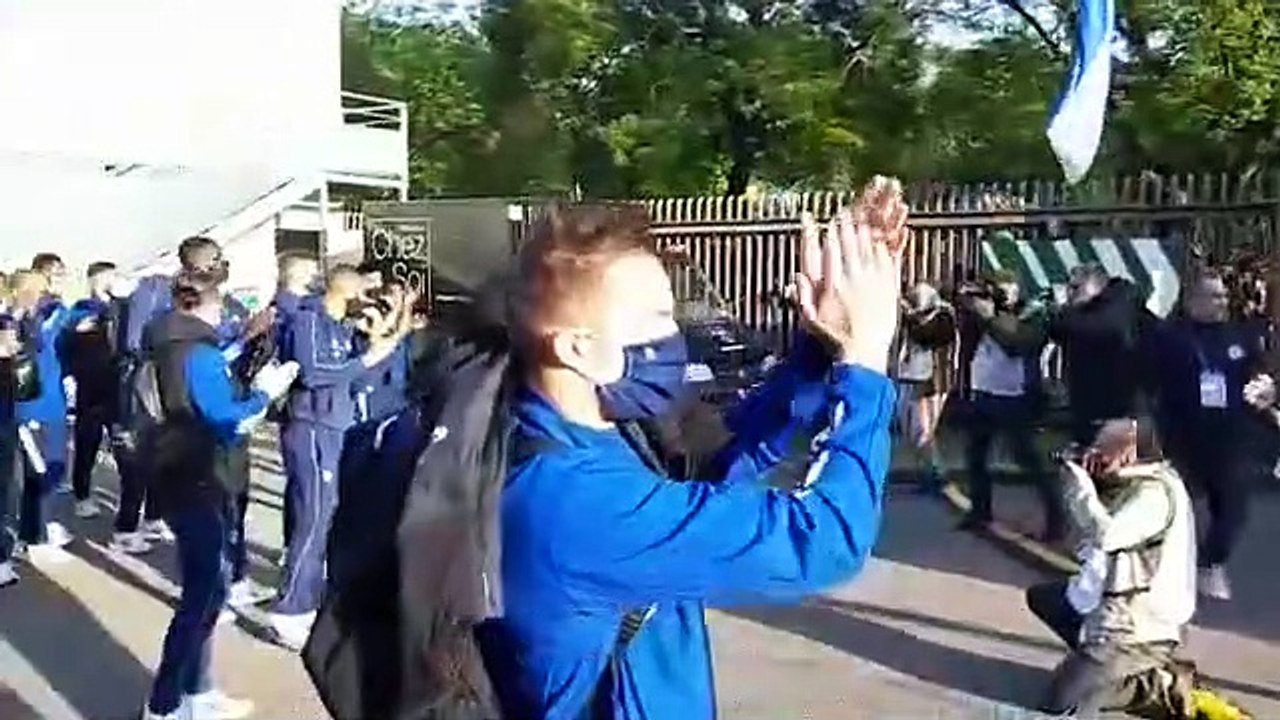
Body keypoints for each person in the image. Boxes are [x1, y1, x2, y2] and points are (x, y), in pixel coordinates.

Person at [480, 179, 905, 720]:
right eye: (656, 322)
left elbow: (719, 465)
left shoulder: (582, 430)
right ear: (578, 349)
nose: (673, 338)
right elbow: (824, 540)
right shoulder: (573, 500)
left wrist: (822, 349)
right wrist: (866, 363)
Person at [139, 270, 297, 720]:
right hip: (198, 472)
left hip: (171, 467)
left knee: (207, 588)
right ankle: (165, 703)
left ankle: (194, 690)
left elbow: (200, 376)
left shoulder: (164, 341)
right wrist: (264, 394)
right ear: (210, 305)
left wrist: (241, 342)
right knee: (203, 594)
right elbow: (225, 414)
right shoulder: (199, 353)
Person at [268, 264, 405, 649]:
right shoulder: (308, 321)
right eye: (361, 292)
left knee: (325, 515)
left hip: (335, 426)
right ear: (343, 290)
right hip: (311, 426)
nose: (366, 300)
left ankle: (308, 597)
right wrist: (364, 360)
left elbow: (358, 377)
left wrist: (379, 341)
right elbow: (313, 373)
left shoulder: (342, 328)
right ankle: (288, 608)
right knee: (312, 516)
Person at [1025, 419, 1197, 717]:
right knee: (1045, 598)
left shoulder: (1154, 495)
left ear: (1128, 455)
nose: (1095, 456)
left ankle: (1157, 685)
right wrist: (1092, 483)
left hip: (1137, 630)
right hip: (1108, 609)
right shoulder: (1131, 482)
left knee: (1059, 705)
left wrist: (1081, 488)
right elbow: (1087, 536)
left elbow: (1105, 536)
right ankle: (1099, 665)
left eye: (1102, 451)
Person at [117, 236, 273, 553]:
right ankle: (127, 526)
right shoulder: (158, 293)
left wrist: (246, 337)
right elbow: (139, 345)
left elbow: (217, 347)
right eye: (215, 259)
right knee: (150, 465)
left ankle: (157, 517)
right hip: (172, 398)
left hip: (207, 395)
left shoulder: (221, 301)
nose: (221, 265)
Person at [1145, 269, 1267, 601]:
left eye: (1224, 295)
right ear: (1192, 300)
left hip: (1229, 436)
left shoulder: (1239, 336)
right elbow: (1147, 379)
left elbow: (1256, 374)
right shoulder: (1169, 337)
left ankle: (1210, 562)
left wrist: (1264, 388)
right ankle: (1155, 568)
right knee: (1173, 508)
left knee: (1233, 509)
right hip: (1182, 436)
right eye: (1214, 296)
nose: (1222, 302)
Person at [956, 270, 1065, 543]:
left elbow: (1017, 345)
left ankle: (1056, 518)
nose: (999, 295)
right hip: (983, 391)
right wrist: (971, 307)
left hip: (1013, 396)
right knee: (976, 456)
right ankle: (980, 512)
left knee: (1027, 458)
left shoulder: (1033, 314)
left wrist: (990, 317)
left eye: (1002, 290)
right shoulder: (983, 313)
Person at [1050, 263, 1149, 445]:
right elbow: (1059, 332)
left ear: (1096, 284)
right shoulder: (1086, 311)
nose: (1070, 293)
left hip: (1119, 407)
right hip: (1088, 405)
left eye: (1076, 288)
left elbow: (1107, 329)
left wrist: (1064, 313)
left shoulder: (1120, 302)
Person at [63, 261, 126, 520]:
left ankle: (129, 498)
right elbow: (67, 345)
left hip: (117, 383)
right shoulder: (80, 311)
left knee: (123, 443)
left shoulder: (122, 307)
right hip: (90, 385)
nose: (110, 282)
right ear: (93, 280)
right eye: (106, 277)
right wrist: (72, 374)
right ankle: (82, 495)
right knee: (87, 442)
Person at [895, 281, 955, 493]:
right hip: (905, 377)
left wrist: (912, 315)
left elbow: (926, 336)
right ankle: (927, 473)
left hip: (926, 380)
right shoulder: (908, 318)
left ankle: (936, 475)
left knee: (923, 432)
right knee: (911, 432)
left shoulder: (941, 318)